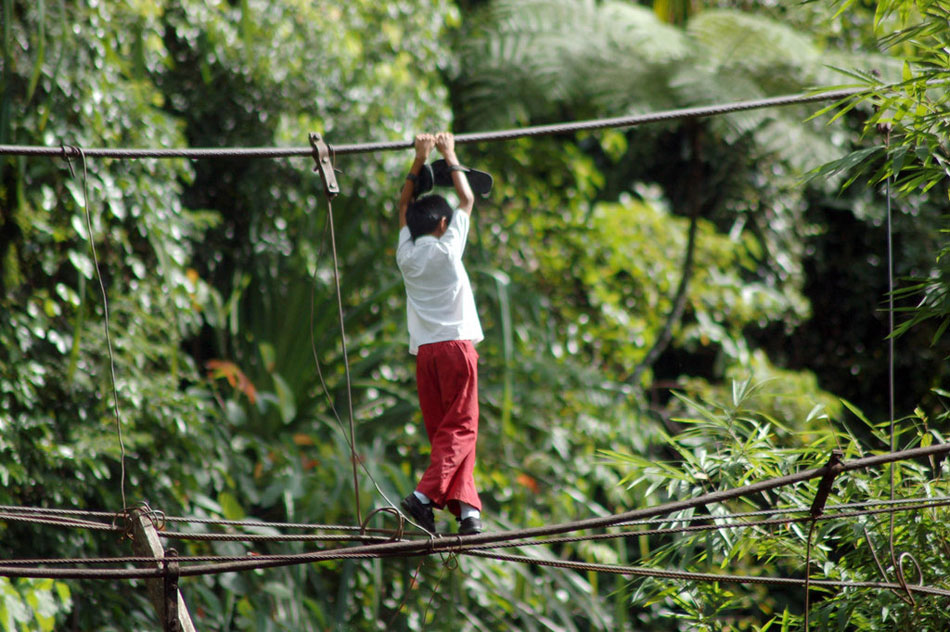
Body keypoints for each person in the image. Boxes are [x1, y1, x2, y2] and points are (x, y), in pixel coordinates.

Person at [395, 132, 484, 536]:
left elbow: (403, 207)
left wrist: (419, 159)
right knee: (462, 429)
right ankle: (424, 497)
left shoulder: (406, 256)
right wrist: (450, 155)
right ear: (443, 224)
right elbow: (467, 200)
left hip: (426, 356)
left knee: (447, 435)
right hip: (456, 348)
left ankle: (468, 514)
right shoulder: (449, 250)